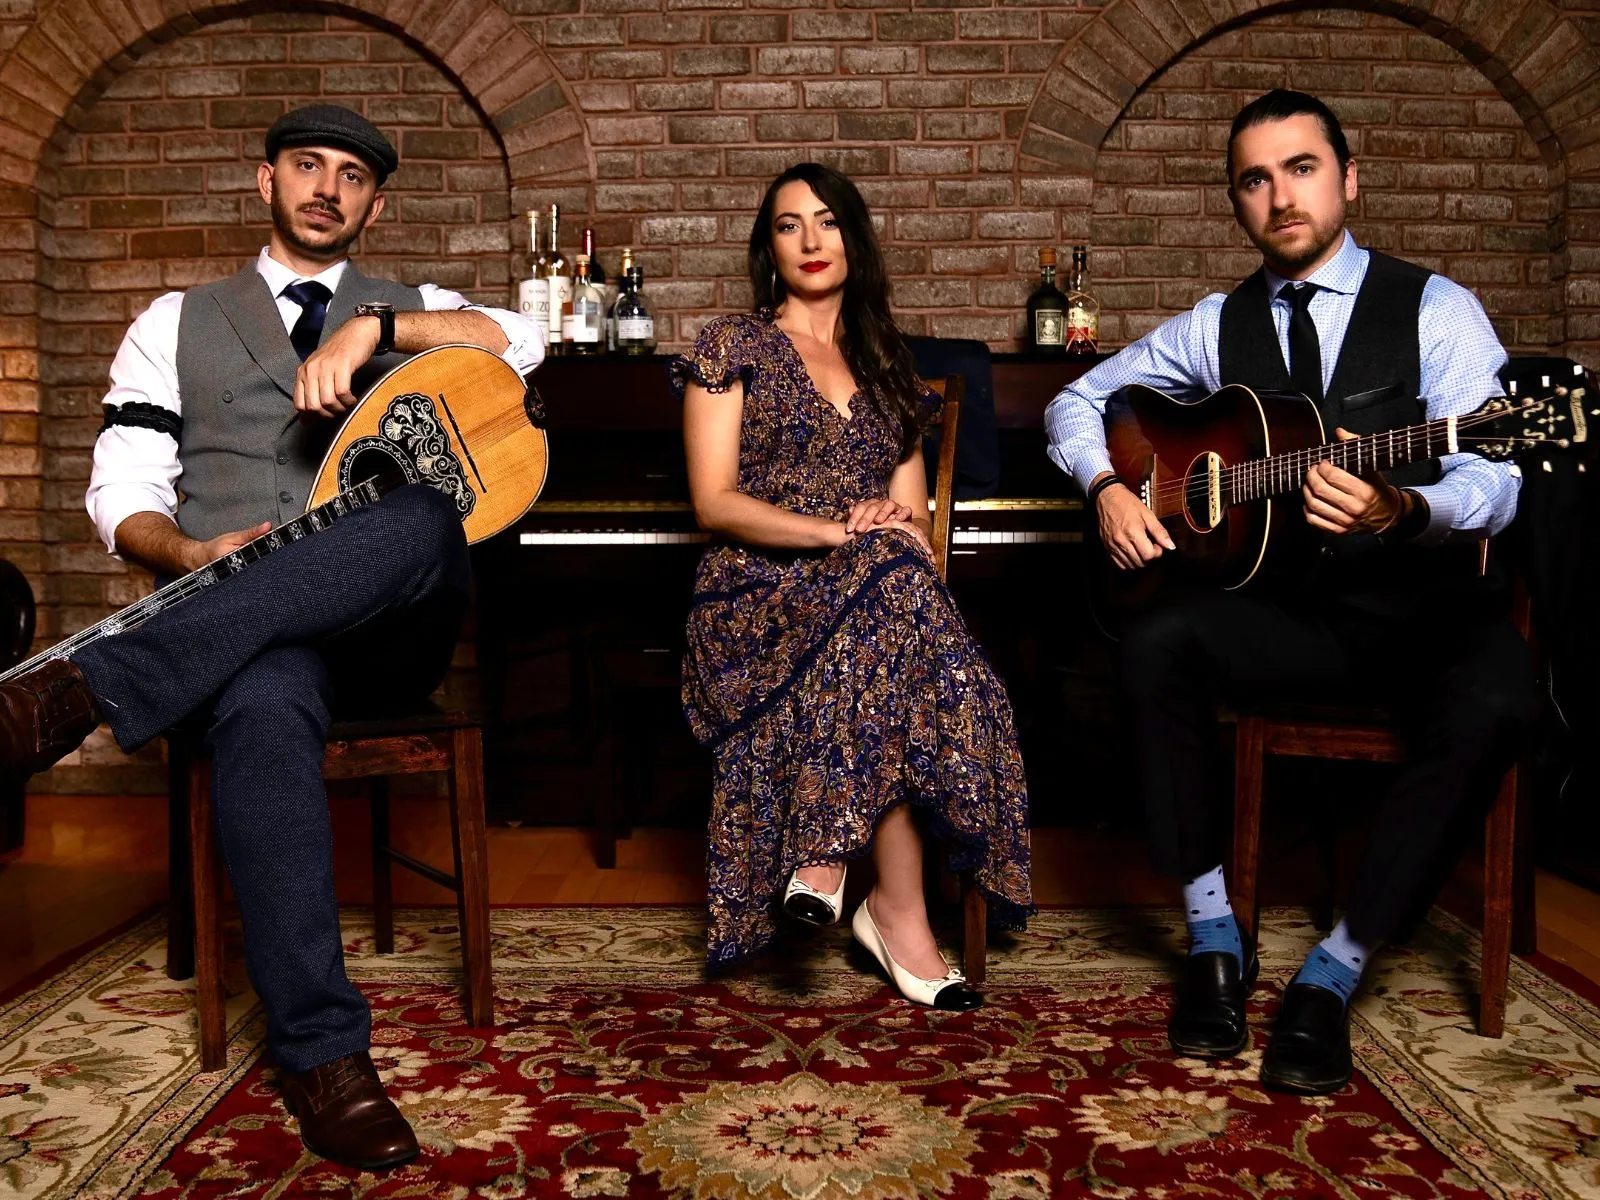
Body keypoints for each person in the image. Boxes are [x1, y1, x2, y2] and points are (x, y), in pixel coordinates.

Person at [0, 105, 543, 1167]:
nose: (327, 188)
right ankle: (325, 1059)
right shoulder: (173, 319)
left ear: (374, 203)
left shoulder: (416, 306)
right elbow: (121, 495)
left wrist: (376, 333)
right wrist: (192, 559)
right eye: (307, 166)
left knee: (427, 514)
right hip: (247, 636)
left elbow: (522, 345)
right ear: (266, 182)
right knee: (262, 699)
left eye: (351, 176)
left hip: (389, 636)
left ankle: (76, 692)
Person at [1045, 90, 1539, 1094]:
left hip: (1416, 616)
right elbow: (1075, 397)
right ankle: (1213, 942)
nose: (1280, 195)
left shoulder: (1433, 309)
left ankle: (1333, 974)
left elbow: (1496, 480)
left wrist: (1403, 509)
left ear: (1347, 179)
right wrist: (1103, 487)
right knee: (1152, 641)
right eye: (1254, 178)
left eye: (1301, 168)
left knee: (1501, 694)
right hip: (1288, 619)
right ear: (1235, 201)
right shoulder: (1214, 326)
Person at [675, 163, 1034, 1009]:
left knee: (896, 579)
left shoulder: (887, 368)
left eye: (826, 222)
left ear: (853, 239)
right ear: (768, 248)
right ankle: (896, 906)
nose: (808, 240)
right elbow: (714, 502)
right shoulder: (731, 344)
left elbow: (916, 532)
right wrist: (842, 531)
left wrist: (882, 525)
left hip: (874, 598)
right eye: (788, 225)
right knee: (894, 596)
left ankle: (829, 852)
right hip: (753, 600)